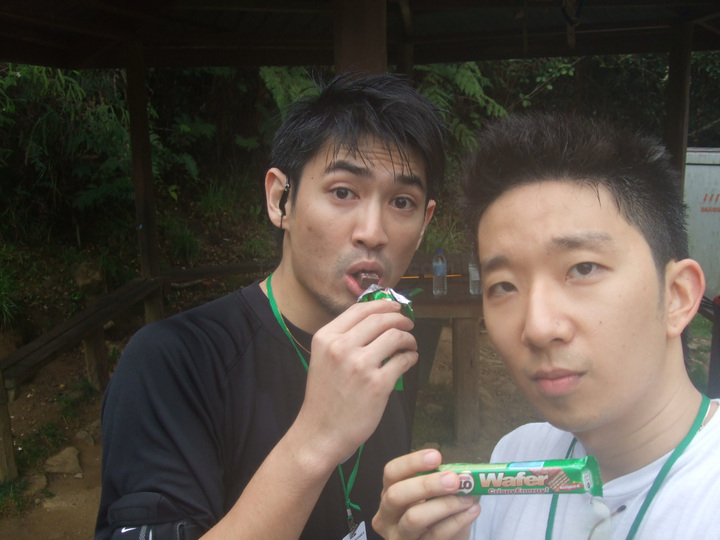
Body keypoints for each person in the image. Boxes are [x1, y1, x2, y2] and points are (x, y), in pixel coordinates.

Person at [95, 72, 447, 540]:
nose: (373, 232)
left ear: (423, 224)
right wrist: (316, 440)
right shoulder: (171, 362)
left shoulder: (391, 349)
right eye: (343, 192)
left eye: (402, 202)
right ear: (281, 199)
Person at [372, 112, 720, 540]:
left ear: (678, 296)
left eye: (583, 268)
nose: (536, 328)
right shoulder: (516, 460)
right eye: (503, 286)